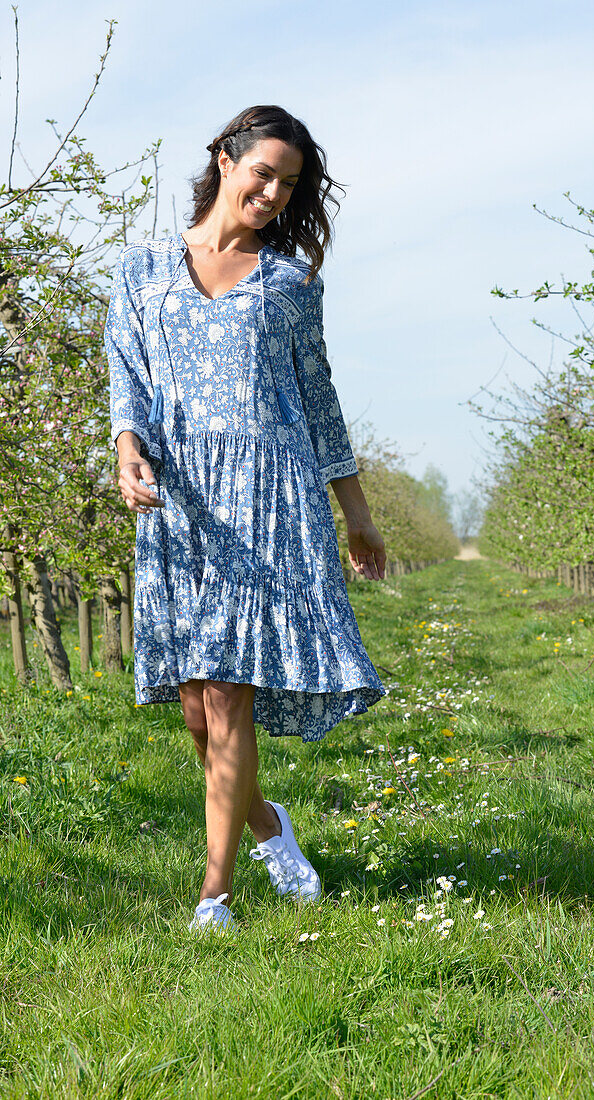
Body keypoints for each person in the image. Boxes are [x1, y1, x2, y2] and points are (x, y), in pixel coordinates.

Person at [105, 104, 387, 935]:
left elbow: (320, 400)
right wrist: (128, 449)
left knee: (228, 696)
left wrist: (358, 516)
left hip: (271, 497)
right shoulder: (143, 267)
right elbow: (127, 372)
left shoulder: (292, 283)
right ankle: (267, 825)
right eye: (263, 171)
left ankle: (214, 895)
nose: (272, 192)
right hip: (182, 501)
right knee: (197, 705)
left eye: (289, 183)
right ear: (224, 159)